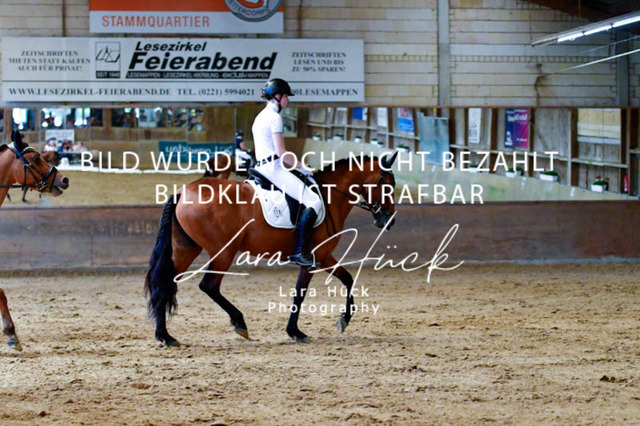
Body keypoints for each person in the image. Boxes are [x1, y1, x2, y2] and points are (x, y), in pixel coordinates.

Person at [252, 78, 321, 267]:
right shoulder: (275, 118)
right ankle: (299, 252)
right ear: (277, 96)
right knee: (314, 202)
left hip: (260, 167)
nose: (288, 100)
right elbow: (282, 154)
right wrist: (302, 167)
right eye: (286, 97)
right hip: (273, 168)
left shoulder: (260, 117)